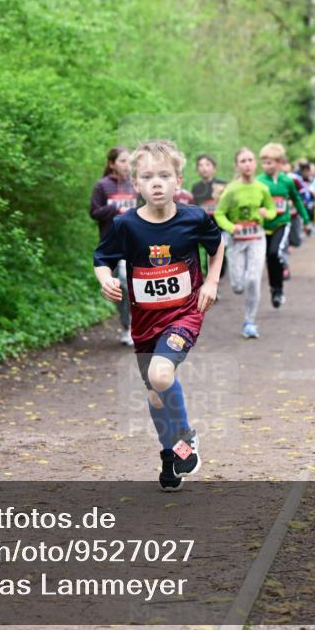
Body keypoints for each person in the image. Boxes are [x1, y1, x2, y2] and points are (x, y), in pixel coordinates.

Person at [94, 140, 224, 491]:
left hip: (185, 313)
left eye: (164, 175)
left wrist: (211, 282)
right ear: (135, 183)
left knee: (162, 374)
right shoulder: (126, 225)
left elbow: (217, 245)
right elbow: (102, 258)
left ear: (178, 181)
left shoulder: (194, 218)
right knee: (154, 393)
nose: (157, 183)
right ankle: (170, 454)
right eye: (148, 176)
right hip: (144, 323)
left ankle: (184, 437)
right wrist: (106, 280)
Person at [214, 148, 275, 339]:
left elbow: (272, 210)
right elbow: (219, 213)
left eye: (250, 160)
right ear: (237, 166)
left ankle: (250, 321)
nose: (247, 164)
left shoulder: (262, 188)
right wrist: (232, 227)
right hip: (237, 240)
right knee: (239, 285)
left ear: (255, 163)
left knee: (253, 279)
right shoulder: (231, 190)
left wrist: (268, 214)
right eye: (243, 161)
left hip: (257, 238)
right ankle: (238, 286)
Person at [89, 147, 136, 345]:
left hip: (134, 243)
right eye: (123, 161)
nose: (127, 165)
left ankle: (139, 325)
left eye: (129, 161)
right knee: (119, 286)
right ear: (112, 164)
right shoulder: (102, 186)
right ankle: (127, 325)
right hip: (111, 244)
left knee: (130, 282)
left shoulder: (136, 185)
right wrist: (114, 207)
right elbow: (94, 212)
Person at [257, 143, 309, 309]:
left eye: (270, 162)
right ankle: (274, 288)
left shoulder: (288, 181)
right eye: (264, 162)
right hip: (263, 225)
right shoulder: (258, 181)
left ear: (279, 162)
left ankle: (279, 290)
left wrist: (306, 219)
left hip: (281, 223)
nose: (266, 166)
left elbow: (296, 199)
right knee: (268, 257)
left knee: (274, 253)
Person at [190, 154, 229, 281]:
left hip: (221, 226)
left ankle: (221, 269)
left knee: (221, 257)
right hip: (205, 227)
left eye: (207, 165)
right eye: (200, 165)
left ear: (214, 168)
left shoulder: (222, 184)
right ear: (196, 170)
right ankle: (210, 282)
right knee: (207, 255)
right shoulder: (196, 188)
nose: (204, 168)